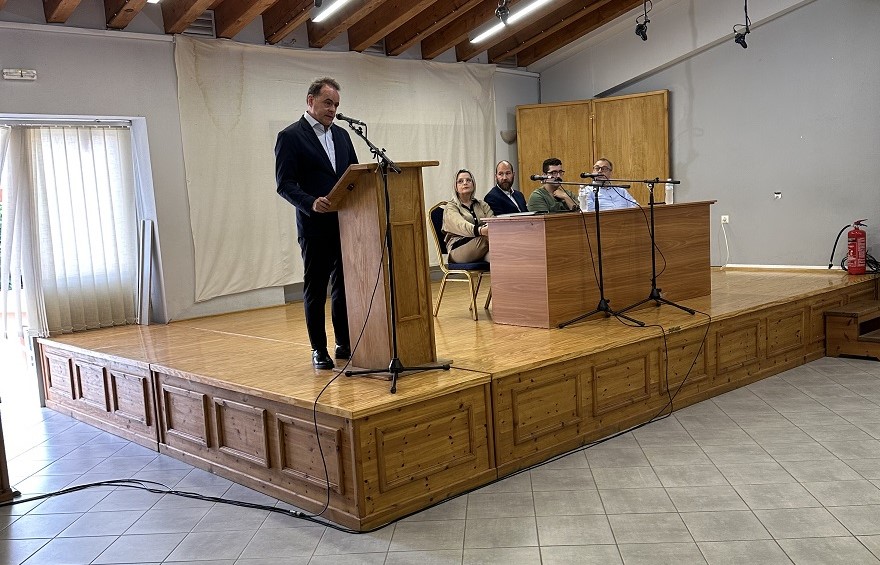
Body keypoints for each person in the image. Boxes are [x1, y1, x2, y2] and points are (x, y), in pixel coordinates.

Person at [275, 77, 358, 370]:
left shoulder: (343, 136)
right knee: (316, 288)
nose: (332, 109)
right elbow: (284, 184)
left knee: (343, 287)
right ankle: (318, 349)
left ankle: (344, 342)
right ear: (310, 101)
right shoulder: (290, 136)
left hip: (345, 224)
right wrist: (310, 202)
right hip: (314, 226)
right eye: (327, 103)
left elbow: (354, 175)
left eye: (336, 104)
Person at [442, 169, 493, 263]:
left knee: (500, 256)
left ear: (473, 184)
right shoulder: (451, 207)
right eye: (460, 181)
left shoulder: (482, 204)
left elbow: (493, 222)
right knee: (489, 238)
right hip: (458, 249)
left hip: (482, 245)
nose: (465, 183)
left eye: (468, 180)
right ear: (455, 187)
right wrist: (480, 230)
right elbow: (460, 225)